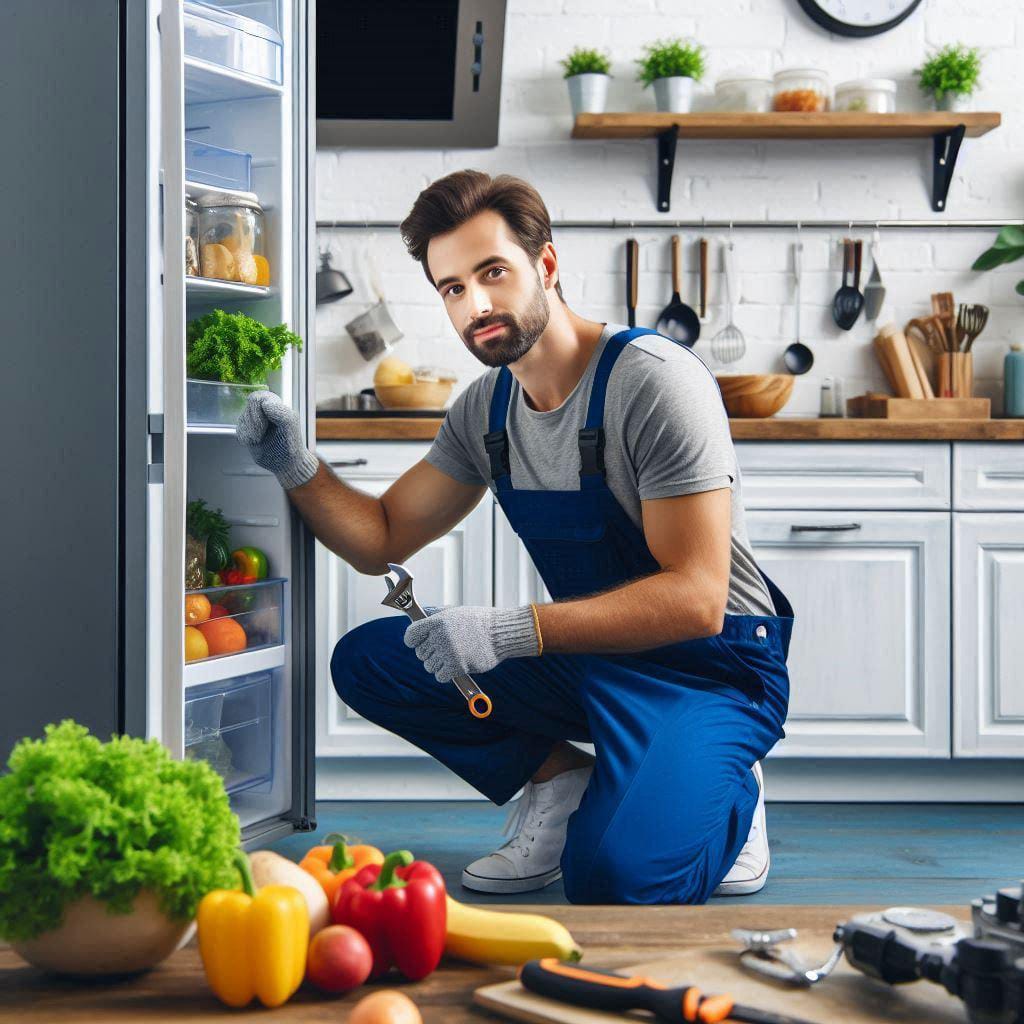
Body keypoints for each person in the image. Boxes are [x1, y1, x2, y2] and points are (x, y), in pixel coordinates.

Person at [236, 170, 793, 905]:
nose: (477, 304)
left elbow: (695, 600)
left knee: (614, 878)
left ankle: (728, 786)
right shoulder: (486, 411)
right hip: (596, 656)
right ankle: (561, 784)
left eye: (492, 272)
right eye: (453, 287)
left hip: (713, 669)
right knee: (373, 661)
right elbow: (382, 538)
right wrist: (296, 464)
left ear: (547, 266)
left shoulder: (654, 382)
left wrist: (509, 630)